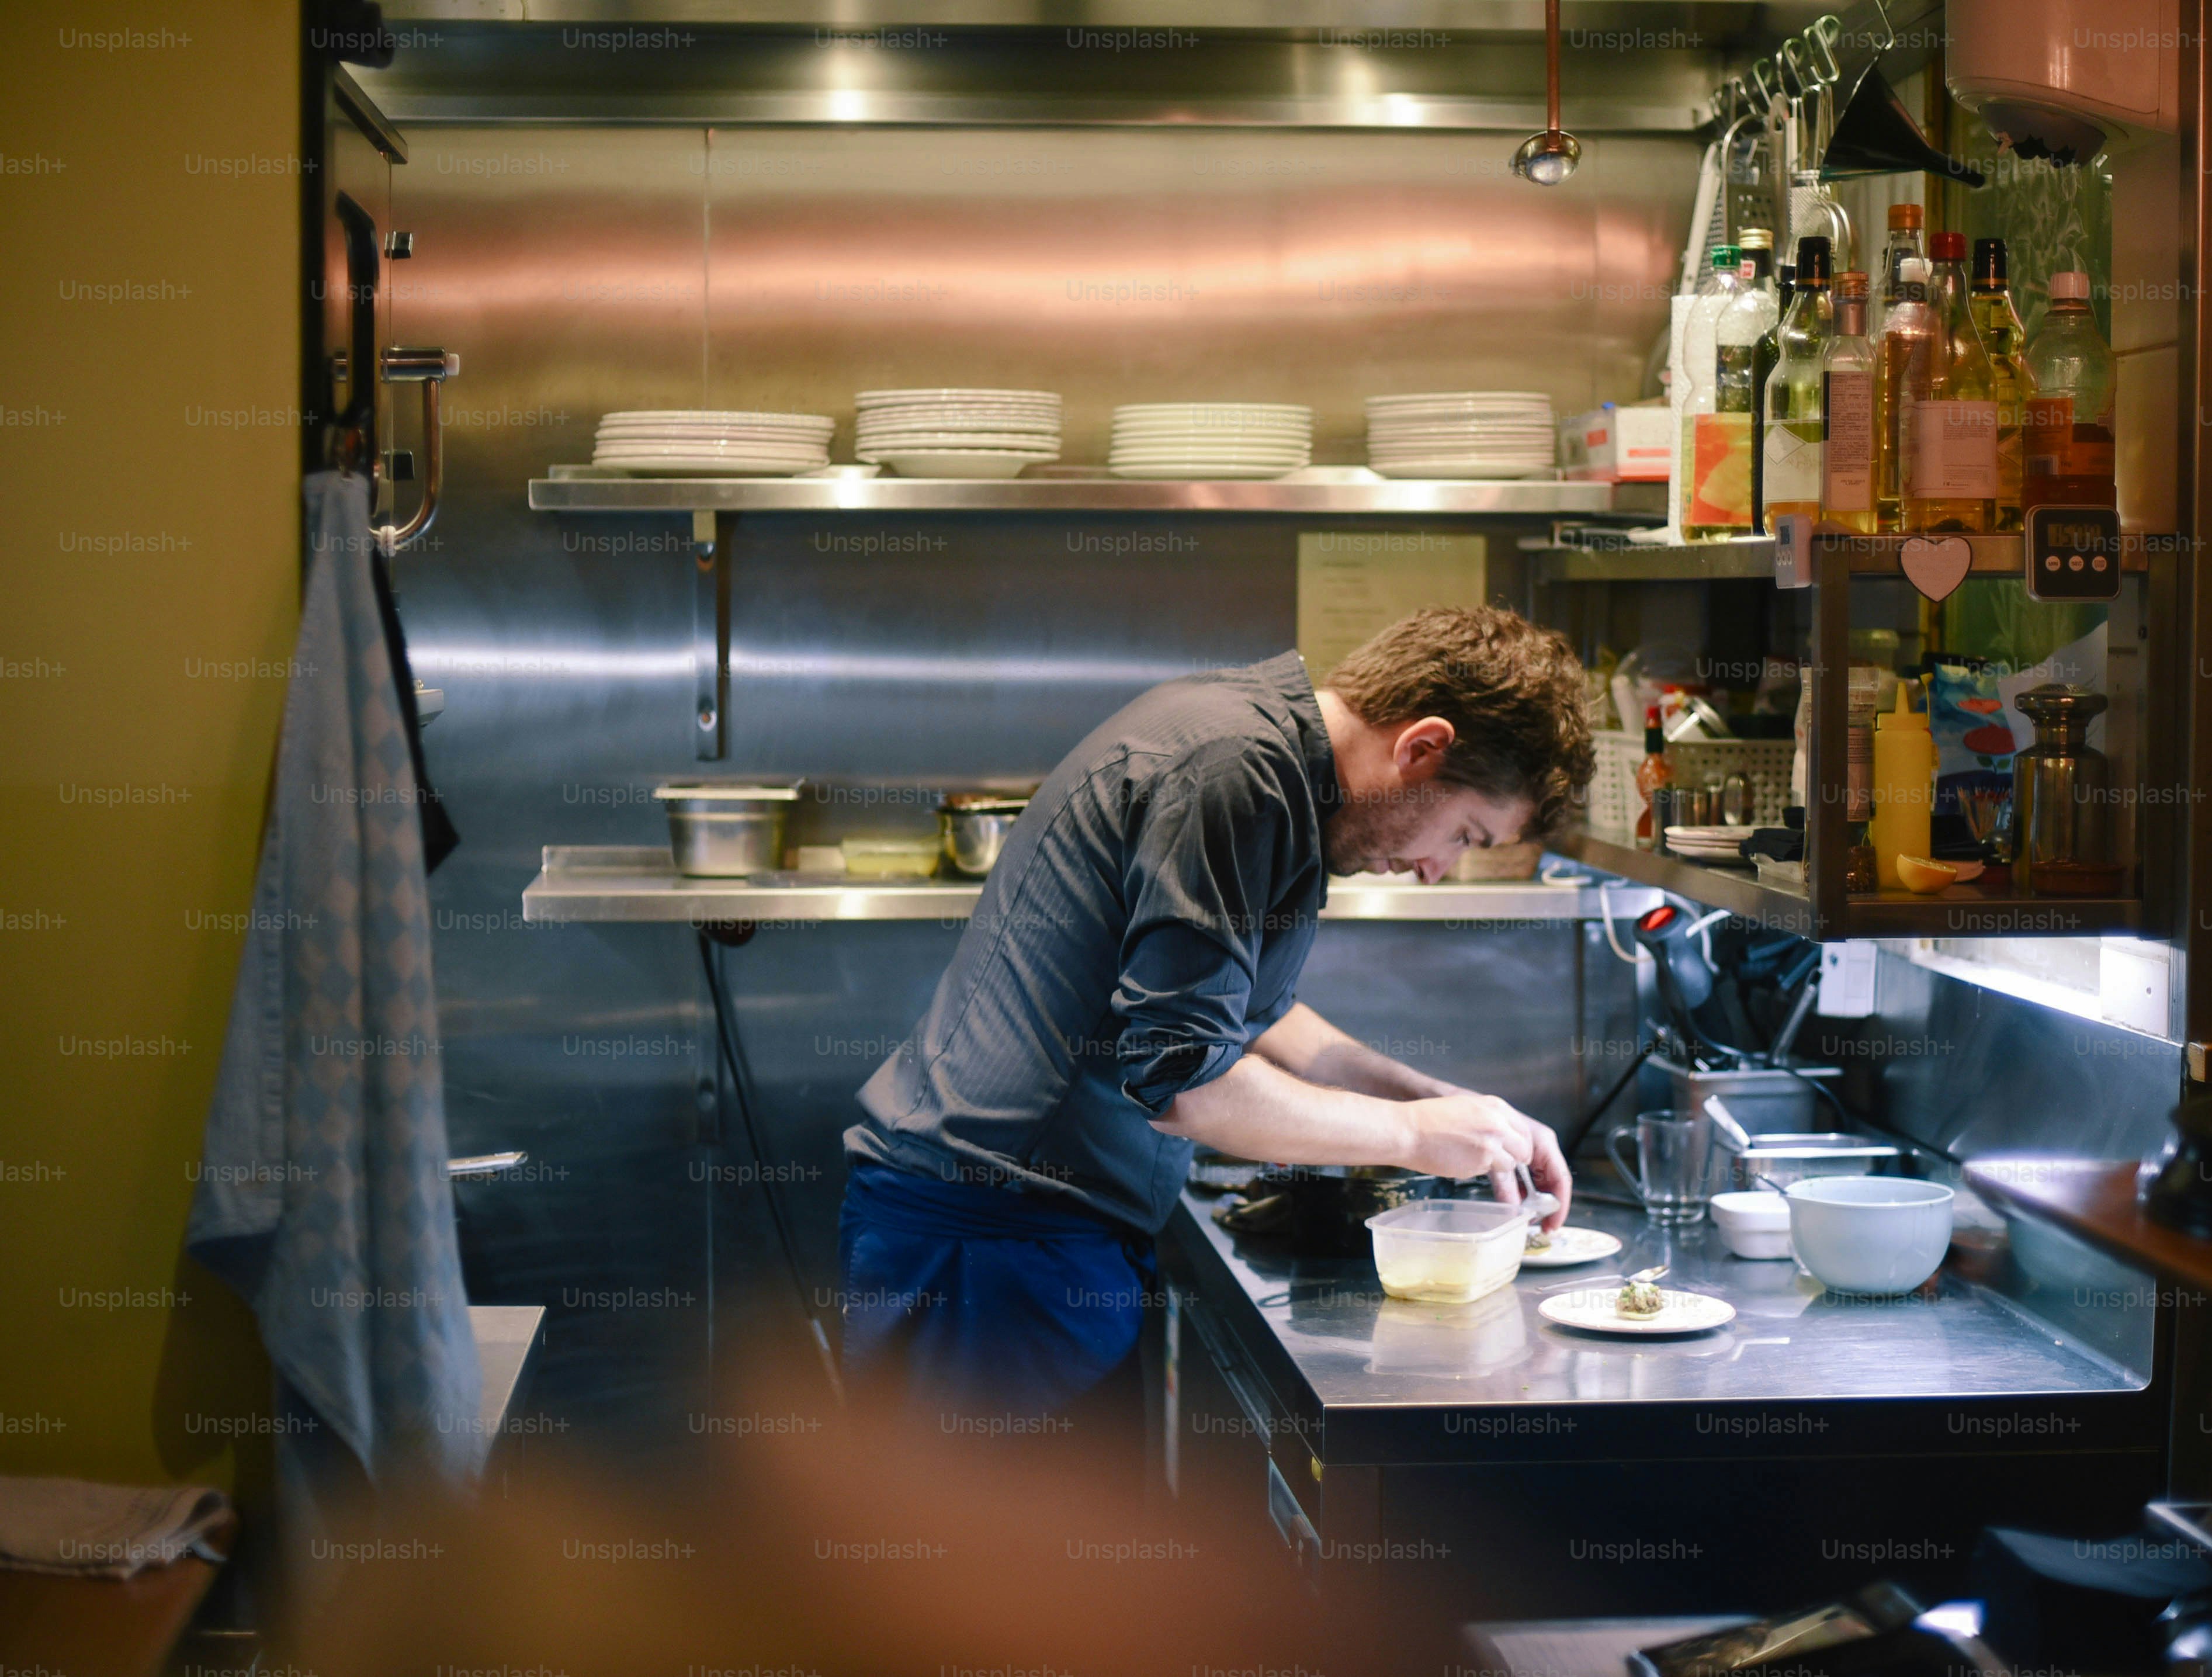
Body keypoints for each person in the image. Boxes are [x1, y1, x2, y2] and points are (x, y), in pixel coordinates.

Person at [838, 605, 1596, 1420]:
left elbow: (1252, 1013)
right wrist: (1414, 1137)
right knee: (984, 1547)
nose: (1433, 871)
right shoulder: (1233, 770)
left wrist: (1427, 1100)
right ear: (1420, 748)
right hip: (989, 1248)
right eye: (1465, 835)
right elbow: (1185, 1084)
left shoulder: (1275, 769)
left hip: (1037, 1238)